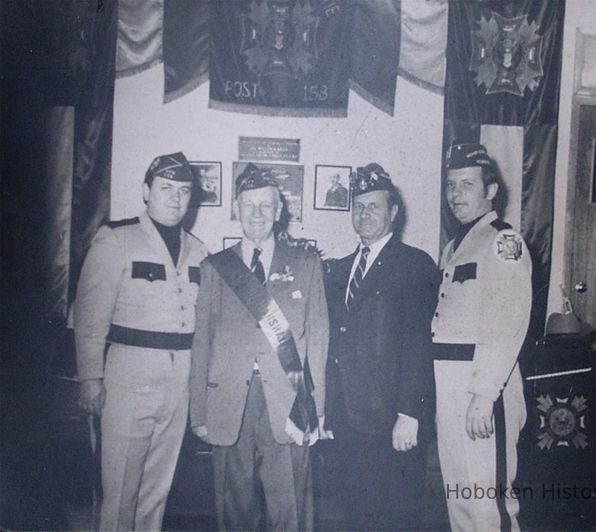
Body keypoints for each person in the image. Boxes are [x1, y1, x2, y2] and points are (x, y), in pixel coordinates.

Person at [189, 163, 329, 531]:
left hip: (288, 402)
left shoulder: (306, 263)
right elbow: (202, 341)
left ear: (279, 211)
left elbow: (318, 339)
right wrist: (198, 411)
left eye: (265, 205)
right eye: (249, 205)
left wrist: (317, 409)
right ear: (236, 208)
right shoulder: (216, 268)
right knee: (233, 509)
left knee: (291, 509)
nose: (256, 214)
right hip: (228, 403)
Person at [74, 152, 208, 531]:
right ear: (146, 191)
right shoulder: (116, 239)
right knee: (119, 489)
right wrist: (89, 378)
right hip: (128, 380)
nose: (175, 198)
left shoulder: (200, 250)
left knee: (157, 489)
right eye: (166, 188)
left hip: (179, 381)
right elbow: (89, 316)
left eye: (184, 191)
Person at [324, 163, 439, 530]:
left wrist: (410, 413)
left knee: (396, 515)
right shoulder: (340, 270)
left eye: (374, 206)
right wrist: (328, 409)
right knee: (355, 511)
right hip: (347, 417)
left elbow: (419, 345)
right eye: (358, 206)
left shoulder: (414, 265)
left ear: (393, 212)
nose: (364, 213)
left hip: (392, 419)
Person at [431, 143, 532, 531]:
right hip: (451, 387)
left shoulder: (503, 242)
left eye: (467, 185)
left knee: (488, 502)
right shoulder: (456, 245)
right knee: (460, 498)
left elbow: (507, 324)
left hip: (484, 388)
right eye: (451, 185)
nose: (456, 194)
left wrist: (485, 395)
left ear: (490, 191)